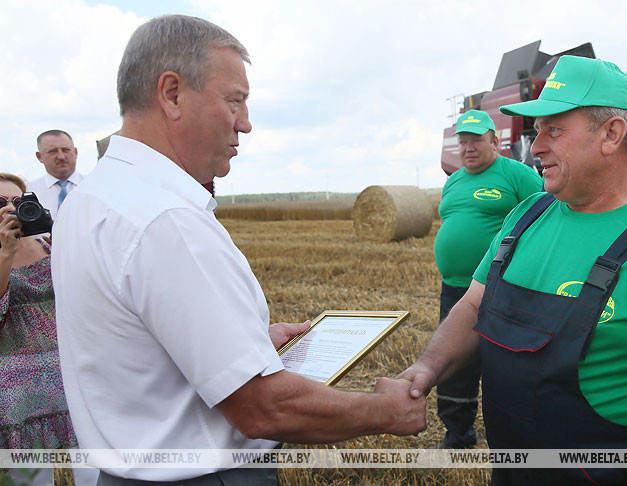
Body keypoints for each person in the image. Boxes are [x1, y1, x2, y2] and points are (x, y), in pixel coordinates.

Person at [52, 15, 425, 484]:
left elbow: (133, 349)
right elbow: (261, 407)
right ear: (171, 94)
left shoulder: (93, 198)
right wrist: (387, 412)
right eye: (235, 101)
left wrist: (243, 346)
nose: (245, 124)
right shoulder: (165, 220)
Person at [399, 56, 627, 485]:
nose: (536, 147)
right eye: (537, 131)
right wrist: (427, 368)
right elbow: (472, 306)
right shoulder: (525, 217)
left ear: (612, 134)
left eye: (553, 129)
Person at [434, 110, 541, 449]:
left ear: (495, 141)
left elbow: (548, 216)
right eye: (463, 141)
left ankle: (511, 439)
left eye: (476, 140)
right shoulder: (453, 180)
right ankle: (457, 433)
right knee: (453, 362)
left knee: (504, 364)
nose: (468, 147)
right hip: (453, 288)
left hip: (502, 289)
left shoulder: (517, 175)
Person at [0, 173, 75, 486]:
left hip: (69, 380)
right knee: (29, 480)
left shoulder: (48, 242)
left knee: (89, 475)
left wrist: (67, 240)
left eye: (17, 202)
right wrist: (5, 252)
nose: (9, 209)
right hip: (17, 396)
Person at [28, 130, 85, 220]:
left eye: (66, 150)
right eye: (52, 151)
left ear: (76, 152)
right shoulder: (29, 191)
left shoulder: (96, 186)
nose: (61, 157)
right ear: (39, 156)